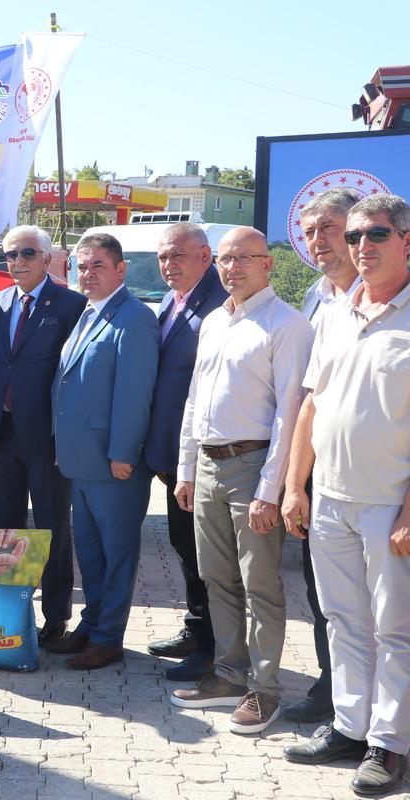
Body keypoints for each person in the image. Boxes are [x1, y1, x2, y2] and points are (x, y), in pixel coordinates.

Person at [280, 194, 410, 795]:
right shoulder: (335, 311)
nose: (362, 247)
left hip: (389, 504)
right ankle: (350, 727)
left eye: (376, 234)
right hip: (330, 499)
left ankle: (390, 744)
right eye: (355, 236)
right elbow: (312, 405)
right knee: (343, 620)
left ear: (406, 241)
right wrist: (294, 486)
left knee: (396, 629)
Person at [168, 227, 313, 734]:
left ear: (267, 264)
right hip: (209, 466)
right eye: (225, 260)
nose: (232, 268)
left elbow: (289, 416)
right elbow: (194, 400)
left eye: (244, 258)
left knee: (260, 585)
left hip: (254, 465)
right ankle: (229, 675)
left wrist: (270, 491)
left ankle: (264, 689)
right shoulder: (213, 320)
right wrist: (187, 469)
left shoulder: (287, 325)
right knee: (216, 577)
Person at [48, 233, 159, 670]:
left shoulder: (134, 318)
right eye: (82, 266)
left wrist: (124, 453)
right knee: (91, 555)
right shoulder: (89, 311)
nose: (87, 273)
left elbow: (134, 394)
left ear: (120, 269)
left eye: (97, 265)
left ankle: (108, 638)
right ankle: (92, 625)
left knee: (116, 556)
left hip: (114, 463)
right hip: (82, 460)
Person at [0, 225, 84, 645]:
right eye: (10, 255)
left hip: (48, 438)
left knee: (52, 528)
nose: (17, 262)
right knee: (5, 530)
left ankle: (56, 616)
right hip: (3, 436)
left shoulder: (71, 305)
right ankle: (9, 617)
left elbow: (75, 375)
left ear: (46, 258)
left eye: (26, 253)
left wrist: (66, 437)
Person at [281, 188, 363, 725]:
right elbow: (309, 396)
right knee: (324, 591)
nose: (318, 241)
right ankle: (332, 686)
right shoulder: (317, 295)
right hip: (318, 468)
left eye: (329, 228)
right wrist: (294, 481)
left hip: (376, 479)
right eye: (309, 232)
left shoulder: (386, 297)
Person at [142, 222, 229, 682]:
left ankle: (215, 647)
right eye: (162, 257)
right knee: (183, 543)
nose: (167, 265)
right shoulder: (170, 300)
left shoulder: (220, 302)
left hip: (203, 454)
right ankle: (197, 630)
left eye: (177, 255)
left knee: (205, 553)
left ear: (205, 256)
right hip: (173, 451)